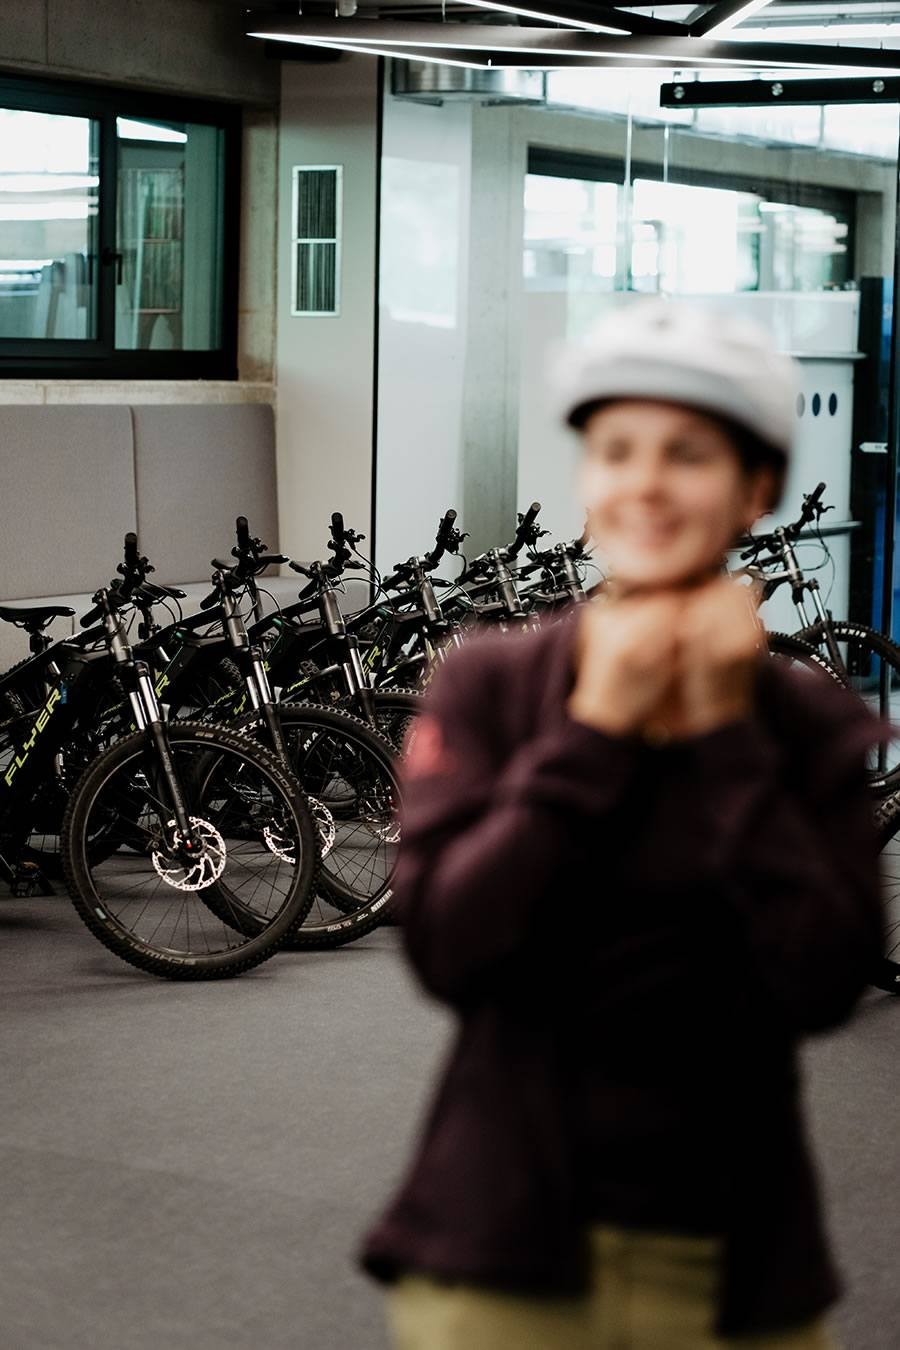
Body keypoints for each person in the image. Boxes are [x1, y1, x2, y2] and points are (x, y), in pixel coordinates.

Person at [360, 300, 886, 1349]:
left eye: (686, 454)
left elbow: (826, 978)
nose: (644, 483)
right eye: (615, 451)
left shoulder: (806, 723)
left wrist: (726, 736)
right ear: (587, 480)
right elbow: (449, 948)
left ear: (756, 489)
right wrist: (593, 732)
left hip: (740, 1266)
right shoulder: (492, 686)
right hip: (502, 1257)